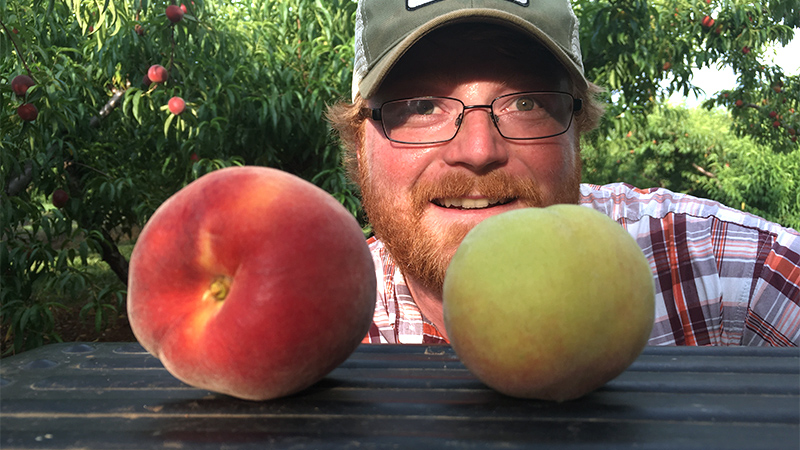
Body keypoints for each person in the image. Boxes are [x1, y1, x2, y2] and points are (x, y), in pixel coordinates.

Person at [327, 0, 800, 346]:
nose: (477, 151)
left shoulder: (716, 272)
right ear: (358, 139)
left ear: (579, 128)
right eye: (421, 106)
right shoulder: (322, 318)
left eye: (525, 103)